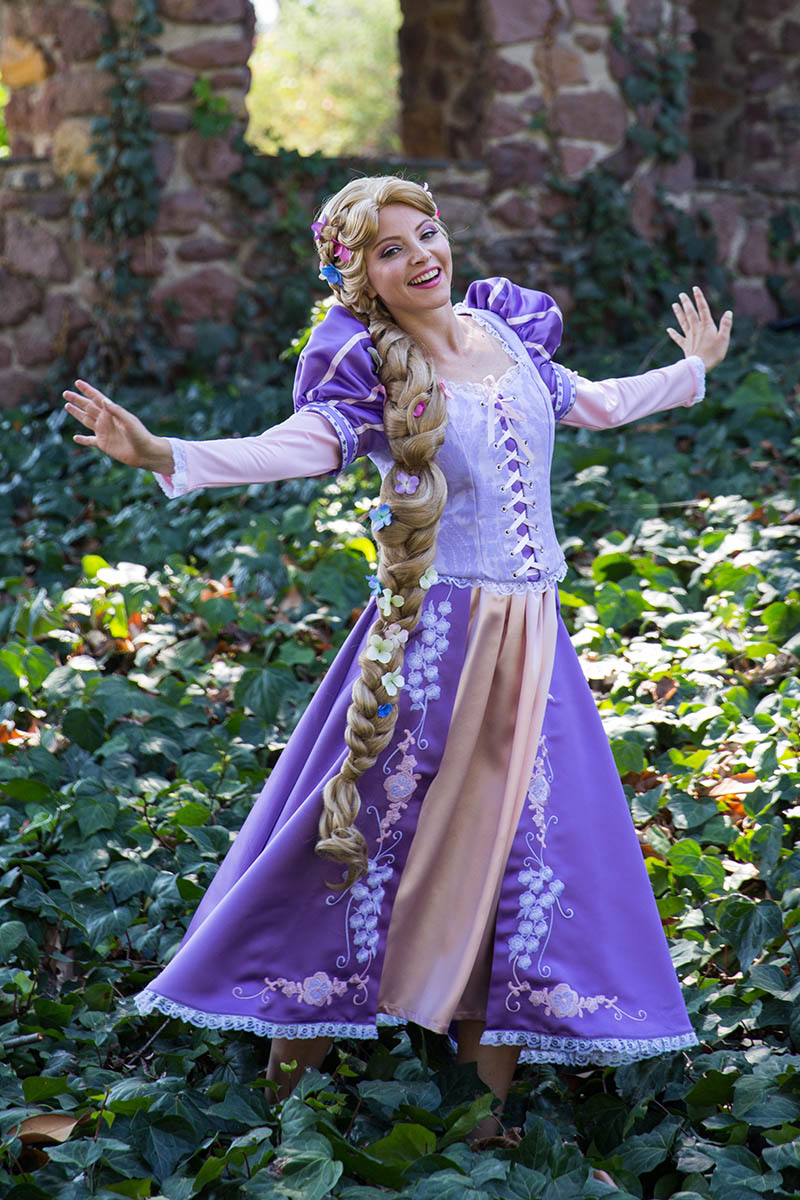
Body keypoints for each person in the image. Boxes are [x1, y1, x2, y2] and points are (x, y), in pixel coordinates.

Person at [63, 176, 732, 1151]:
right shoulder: (372, 370)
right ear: (359, 278)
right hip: (430, 647)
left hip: (532, 647)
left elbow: (593, 403)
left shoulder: (505, 335)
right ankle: (286, 1100)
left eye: (426, 233)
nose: (421, 255)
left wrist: (690, 371)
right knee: (357, 841)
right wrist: (167, 451)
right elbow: (295, 447)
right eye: (389, 249)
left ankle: (483, 1116)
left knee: (519, 853)